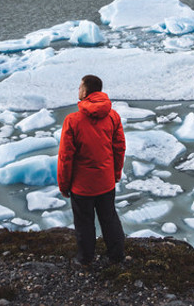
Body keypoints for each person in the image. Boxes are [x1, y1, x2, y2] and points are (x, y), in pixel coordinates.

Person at [58, 74, 126, 265]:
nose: (78, 90)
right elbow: (119, 147)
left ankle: (85, 259)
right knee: (110, 218)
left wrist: (64, 185)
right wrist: (116, 173)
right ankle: (117, 256)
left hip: (82, 187)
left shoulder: (73, 120)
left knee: (84, 223)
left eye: (80, 86)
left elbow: (65, 157)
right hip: (105, 182)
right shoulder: (113, 116)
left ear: (86, 90)